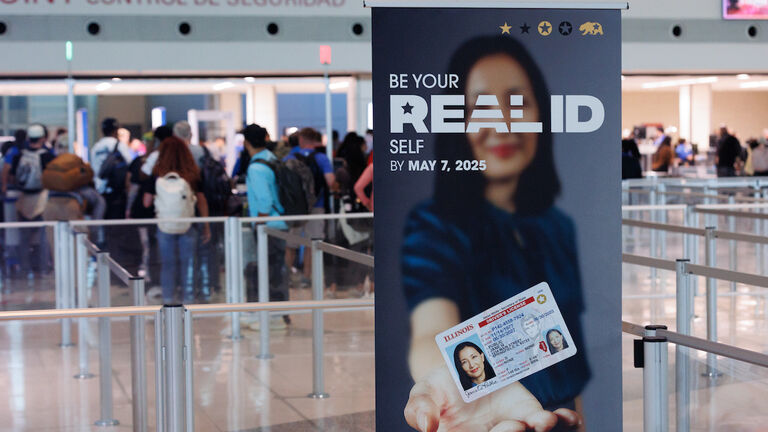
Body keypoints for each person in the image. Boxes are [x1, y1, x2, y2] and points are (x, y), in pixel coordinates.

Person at [402, 35, 585, 432]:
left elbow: (564, 342)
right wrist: (455, 381)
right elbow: (430, 327)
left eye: (518, 104)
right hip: (483, 420)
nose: (501, 123)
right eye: (480, 107)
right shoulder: (434, 224)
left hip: (555, 419)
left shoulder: (558, 227)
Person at [143, 136, 211, 304]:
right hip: (187, 224)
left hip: (164, 225)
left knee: (167, 265)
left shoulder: (157, 174)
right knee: (188, 265)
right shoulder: (192, 174)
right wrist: (206, 225)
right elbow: (201, 200)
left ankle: (168, 300)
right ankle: (187, 300)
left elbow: (146, 202)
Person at [242, 124, 289, 327]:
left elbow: (264, 201)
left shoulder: (256, 167)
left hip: (267, 225)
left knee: (267, 270)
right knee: (276, 269)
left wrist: (258, 223)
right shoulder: (271, 158)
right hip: (281, 222)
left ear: (246, 143)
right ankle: (278, 313)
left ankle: (271, 316)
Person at [283, 127, 336, 284]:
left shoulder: (289, 158)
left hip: (295, 208)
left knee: (291, 243)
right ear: (315, 141)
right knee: (313, 242)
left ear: (301, 140)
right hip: (316, 205)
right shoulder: (321, 158)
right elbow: (330, 181)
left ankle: (286, 276)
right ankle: (307, 277)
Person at [10, 124, 55, 278]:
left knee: (23, 237)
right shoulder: (47, 156)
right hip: (41, 199)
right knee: (43, 237)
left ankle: (24, 267)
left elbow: (12, 176)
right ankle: (43, 268)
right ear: (42, 138)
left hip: (23, 199)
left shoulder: (19, 155)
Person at [91, 118, 133, 219]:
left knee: (103, 224)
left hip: (99, 191)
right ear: (116, 130)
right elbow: (130, 165)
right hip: (116, 192)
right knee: (116, 227)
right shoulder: (119, 146)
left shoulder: (96, 147)